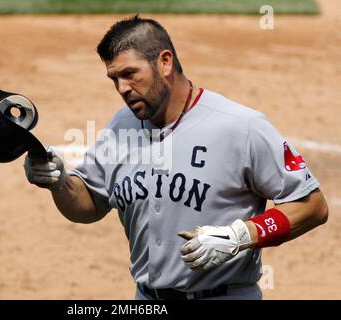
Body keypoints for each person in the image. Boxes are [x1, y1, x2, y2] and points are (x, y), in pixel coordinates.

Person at [24, 15, 329, 300]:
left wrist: (240, 235)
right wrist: (59, 183)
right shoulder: (121, 125)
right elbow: (88, 203)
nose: (122, 89)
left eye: (130, 74)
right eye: (114, 79)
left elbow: (312, 206)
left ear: (165, 62)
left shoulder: (239, 126)